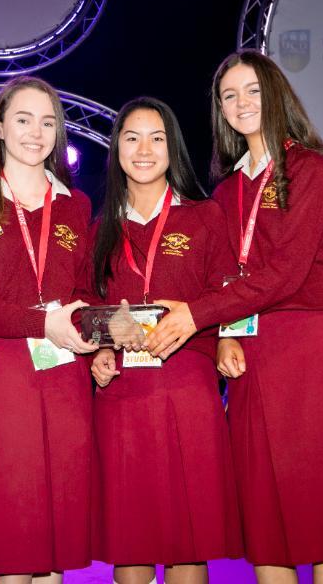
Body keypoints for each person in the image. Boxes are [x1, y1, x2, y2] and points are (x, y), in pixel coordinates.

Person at [144, 50, 323, 583]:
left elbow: (284, 273)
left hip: (309, 352)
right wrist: (224, 336)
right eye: (229, 95)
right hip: (254, 357)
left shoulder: (308, 170)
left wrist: (197, 315)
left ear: (276, 94)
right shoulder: (227, 190)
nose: (241, 103)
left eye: (253, 90)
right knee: (266, 516)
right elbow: (227, 276)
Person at [0, 76, 98, 582]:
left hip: (66, 381)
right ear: (1, 127)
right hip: (0, 384)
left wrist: (102, 334)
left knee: (56, 543)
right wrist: (41, 321)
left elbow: (87, 292)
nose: (36, 132)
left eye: (48, 122)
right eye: (24, 119)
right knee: (15, 542)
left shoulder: (76, 205)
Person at [84, 97, 242, 584]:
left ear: (173, 148)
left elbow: (229, 291)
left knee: (185, 538)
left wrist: (223, 340)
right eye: (132, 138)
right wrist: (103, 350)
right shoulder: (99, 230)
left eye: (157, 137)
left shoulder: (205, 217)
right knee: (130, 540)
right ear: (116, 151)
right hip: (122, 397)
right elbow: (86, 306)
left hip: (187, 392)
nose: (145, 149)